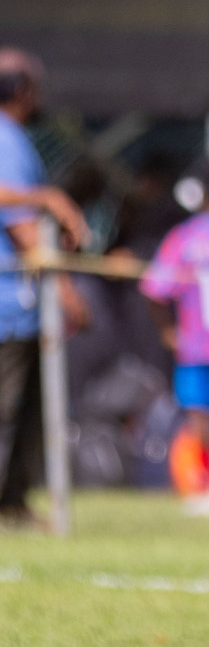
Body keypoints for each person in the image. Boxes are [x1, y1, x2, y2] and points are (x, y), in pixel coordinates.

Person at [0, 47, 89, 527]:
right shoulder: (6, 139)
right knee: (9, 409)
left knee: (26, 411)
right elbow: (23, 228)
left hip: (17, 304)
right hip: (9, 304)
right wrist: (68, 296)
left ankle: (11, 503)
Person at [139, 160, 209, 502]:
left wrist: (168, 330)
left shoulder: (185, 236)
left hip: (194, 343)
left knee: (197, 415)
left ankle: (196, 485)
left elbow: (154, 288)